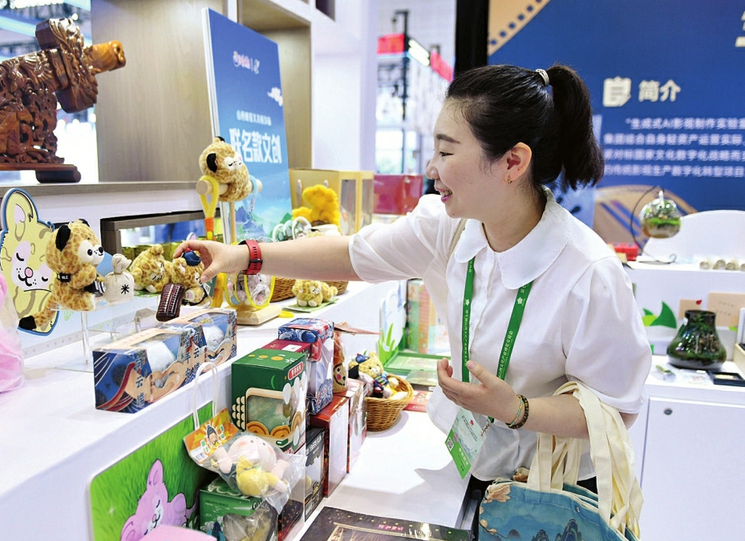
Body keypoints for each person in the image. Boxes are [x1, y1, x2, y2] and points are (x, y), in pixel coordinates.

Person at [174, 64, 651, 490]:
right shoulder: (449, 227)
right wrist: (242, 256)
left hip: (551, 492)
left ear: (512, 162)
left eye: (446, 151)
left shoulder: (589, 273)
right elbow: (351, 255)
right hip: (472, 468)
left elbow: (617, 409)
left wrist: (517, 410)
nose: (431, 168)